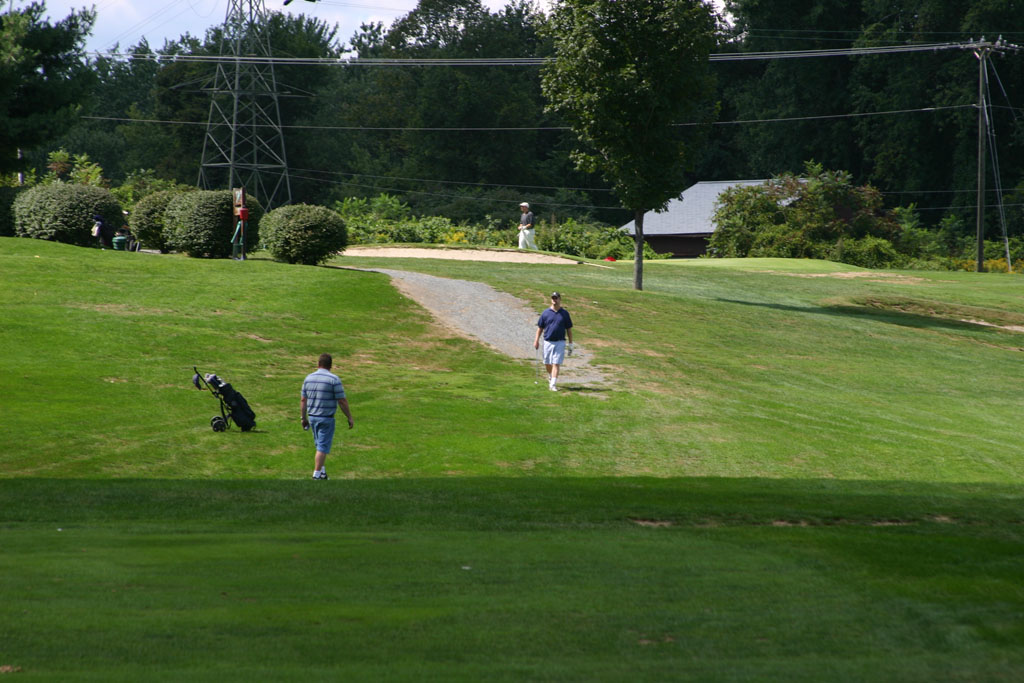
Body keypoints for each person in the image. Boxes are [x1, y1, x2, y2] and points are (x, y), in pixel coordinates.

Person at [300, 353, 354, 480]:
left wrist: (303, 418)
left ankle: (323, 473)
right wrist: (349, 417)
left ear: (318, 364)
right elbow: (342, 400)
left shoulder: (308, 378)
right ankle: (316, 474)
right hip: (326, 417)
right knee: (322, 447)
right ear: (331, 365)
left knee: (319, 445)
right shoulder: (333, 379)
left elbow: (303, 400)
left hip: (312, 417)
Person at [533, 291, 574, 392]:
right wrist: (536, 340)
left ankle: (553, 384)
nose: (554, 300)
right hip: (548, 341)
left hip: (560, 342)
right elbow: (540, 328)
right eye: (553, 298)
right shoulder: (545, 313)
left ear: (560, 299)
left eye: (556, 298)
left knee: (556, 363)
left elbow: (569, 329)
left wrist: (571, 343)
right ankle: (551, 376)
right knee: (547, 363)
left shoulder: (564, 314)